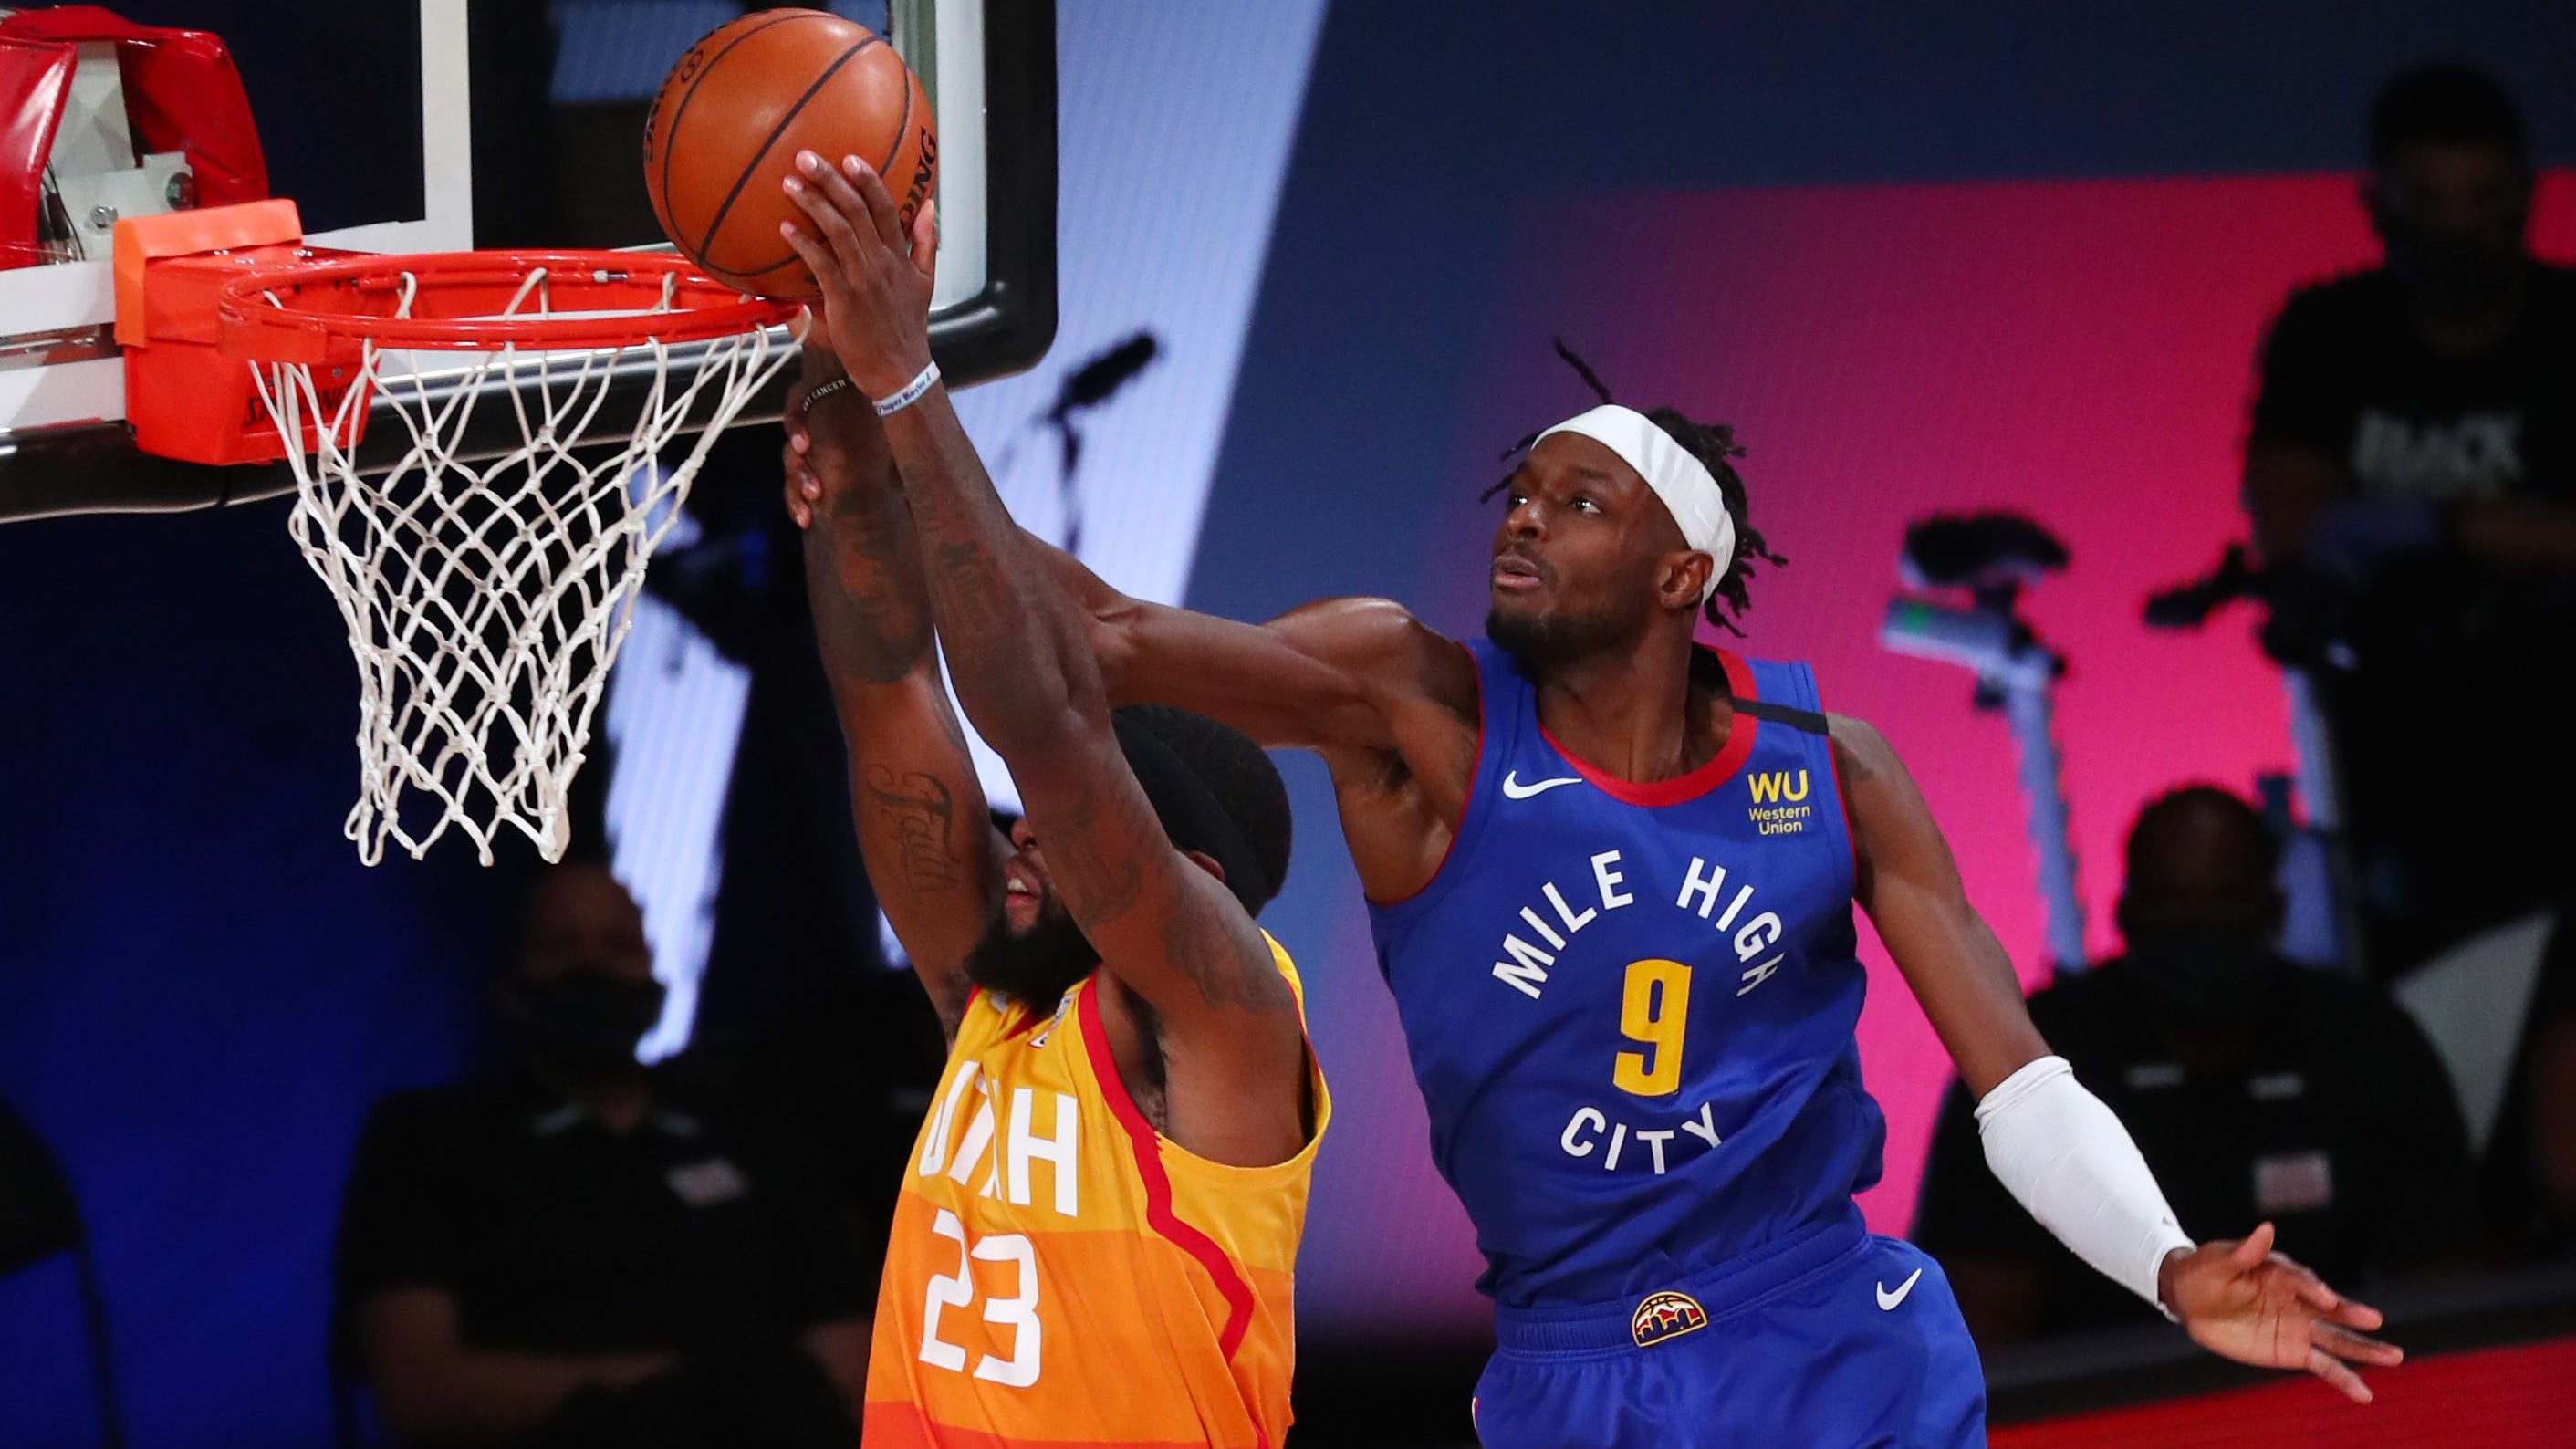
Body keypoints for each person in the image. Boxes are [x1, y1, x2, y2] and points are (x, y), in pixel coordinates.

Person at [781, 158, 2398, 1447]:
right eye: (1519, 492)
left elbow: (2019, 1082)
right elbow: (1099, 647)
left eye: (1578, 500)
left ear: (1681, 570)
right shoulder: (1403, 702)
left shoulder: (1826, 768)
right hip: (1567, 1364)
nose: (1524, 521)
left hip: (1816, 1323)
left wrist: (2167, 1259)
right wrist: (885, 410)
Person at [776, 161, 1328, 1449]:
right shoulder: (999, 1007)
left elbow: (1046, 728)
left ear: (1185, 866)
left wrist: (907, 382)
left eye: (1072, 821)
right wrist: (839, 419)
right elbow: (886, 689)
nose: (1022, 830)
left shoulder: (1232, 1021)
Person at [335, 861, 875, 1449]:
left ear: (655, 973)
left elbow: (848, 1362)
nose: (593, 966)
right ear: (510, 981)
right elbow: (419, 1392)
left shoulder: (758, 1133)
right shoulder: (429, 1139)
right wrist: (693, 1392)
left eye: (619, 944)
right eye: (561, 945)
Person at [1913, 786, 2468, 1344]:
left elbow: (2445, 1291)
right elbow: (1982, 1330)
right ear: (2128, 913)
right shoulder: (2035, 1061)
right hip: (2098, 1404)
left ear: (2272, 910)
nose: (2200, 926)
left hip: (2327, 1389)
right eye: (2173, 905)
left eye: (2223, 903)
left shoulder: (2362, 1041)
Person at [2241, 63, 2576, 980]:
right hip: (2386, 760)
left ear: (2523, 198)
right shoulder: (2329, 332)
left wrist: (2411, 525)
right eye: (2428, 200)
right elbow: (2295, 527)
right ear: (2379, 204)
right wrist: (2502, 530)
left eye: (2482, 200)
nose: (2460, 230)